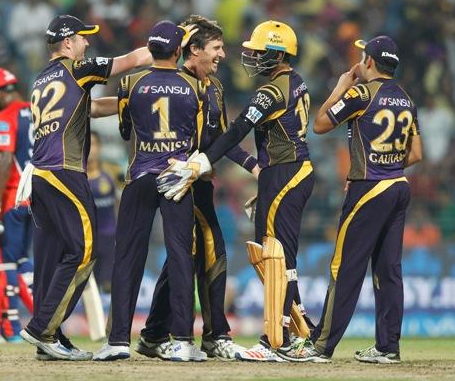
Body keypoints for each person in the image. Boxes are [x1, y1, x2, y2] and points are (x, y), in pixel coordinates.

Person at [157, 20, 318, 362]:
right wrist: (257, 170)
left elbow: (234, 133)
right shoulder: (294, 82)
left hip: (284, 172)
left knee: (273, 256)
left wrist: (198, 163)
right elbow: (229, 136)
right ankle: (303, 331)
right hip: (286, 171)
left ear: (276, 54)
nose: (253, 57)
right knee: (277, 256)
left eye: (260, 52)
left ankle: (277, 339)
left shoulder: (270, 91)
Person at [17, 14, 152, 361]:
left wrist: (126, 105)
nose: (87, 43)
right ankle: (42, 327)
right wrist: (170, 45)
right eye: (82, 38)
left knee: (52, 259)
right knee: (85, 252)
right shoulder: (77, 69)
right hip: (66, 171)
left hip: (40, 176)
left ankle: (52, 339)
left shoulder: (40, 80)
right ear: (67, 43)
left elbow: (87, 109)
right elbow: (135, 60)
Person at [136, 15, 256, 361]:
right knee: (210, 251)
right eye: (216, 48)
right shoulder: (173, 82)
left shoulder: (215, 87)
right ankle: (215, 334)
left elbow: (220, 138)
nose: (222, 55)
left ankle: (152, 334)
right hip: (177, 183)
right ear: (194, 50)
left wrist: (254, 167)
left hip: (201, 183)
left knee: (182, 260)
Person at [94, 20, 207, 363]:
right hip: (177, 176)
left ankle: (117, 341)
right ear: (178, 51)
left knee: (128, 256)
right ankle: (184, 340)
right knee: (179, 256)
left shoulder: (130, 82)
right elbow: (199, 139)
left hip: (140, 173)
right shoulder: (195, 86)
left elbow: (126, 129)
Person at [308, 35, 423, 363]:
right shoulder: (406, 98)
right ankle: (388, 347)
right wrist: (386, 168)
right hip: (398, 186)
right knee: (389, 269)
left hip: (369, 188)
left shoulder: (359, 94)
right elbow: (416, 153)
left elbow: (319, 125)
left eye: (361, 56)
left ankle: (320, 345)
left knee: (345, 266)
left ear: (369, 62)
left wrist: (341, 86)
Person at [0, 67, 34, 343]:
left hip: (13, 198)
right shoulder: (37, 109)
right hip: (37, 199)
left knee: (7, 263)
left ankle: (10, 330)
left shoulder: (4, 116)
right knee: (25, 262)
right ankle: (44, 321)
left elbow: (4, 160)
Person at [86, 131, 117, 291]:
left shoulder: (110, 173)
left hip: (108, 237)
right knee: (89, 288)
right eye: (88, 144)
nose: (91, 149)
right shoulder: (77, 176)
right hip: (86, 240)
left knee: (108, 286)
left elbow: (120, 202)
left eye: (94, 144)